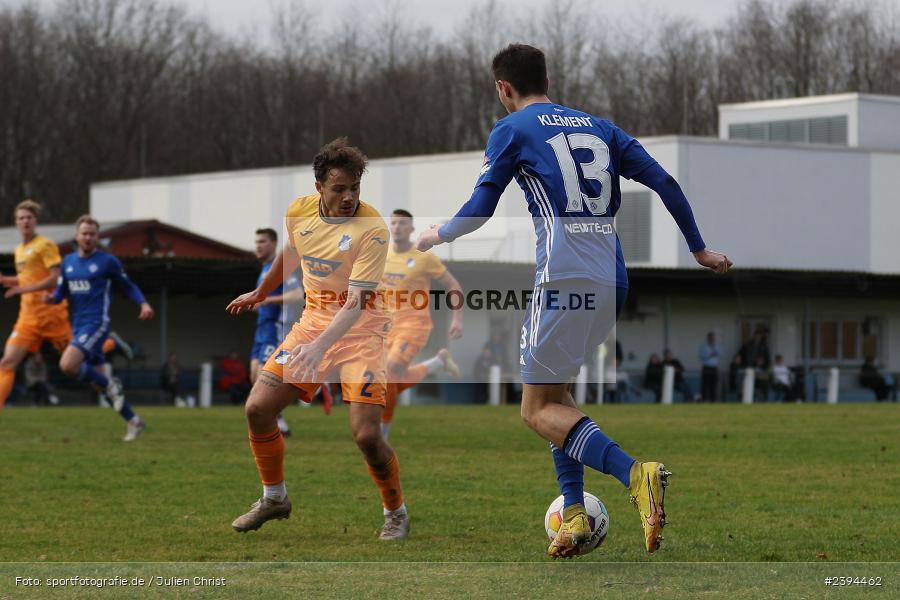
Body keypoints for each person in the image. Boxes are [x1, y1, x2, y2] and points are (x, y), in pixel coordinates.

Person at [416, 44, 731, 556]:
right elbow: (664, 181)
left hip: (563, 280)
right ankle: (576, 515)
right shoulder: (600, 128)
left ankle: (637, 475)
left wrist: (437, 234)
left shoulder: (512, 129)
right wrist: (698, 247)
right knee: (557, 400)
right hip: (612, 279)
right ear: (546, 77)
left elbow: (480, 209)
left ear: (503, 88)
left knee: (536, 409)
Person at [226, 138, 409, 540]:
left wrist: (320, 348)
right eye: (339, 189)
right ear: (319, 188)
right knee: (257, 408)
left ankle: (395, 511)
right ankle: (274, 498)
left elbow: (358, 302)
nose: (348, 198)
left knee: (365, 436)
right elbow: (292, 253)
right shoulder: (299, 212)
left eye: (354, 189)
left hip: (361, 332)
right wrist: (261, 292)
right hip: (312, 326)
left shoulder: (372, 230)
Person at [47, 215, 154, 441]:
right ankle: (134, 421)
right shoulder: (67, 262)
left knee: (67, 365)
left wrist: (143, 303)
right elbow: (61, 293)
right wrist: (51, 299)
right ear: (77, 236)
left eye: (92, 234)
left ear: (97, 237)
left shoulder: (107, 262)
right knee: (100, 388)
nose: (88, 237)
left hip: (97, 323)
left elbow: (128, 285)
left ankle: (110, 383)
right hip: (78, 326)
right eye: (84, 233)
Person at [379, 209, 463, 439]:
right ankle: (437, 362)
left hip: (415, 324)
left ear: (411, 228)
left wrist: (457, 318)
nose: (397, 227)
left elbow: (454, 286)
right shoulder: (382, 257)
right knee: (389, 377)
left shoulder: (424, 257)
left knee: (390, 370)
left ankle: (382, 433)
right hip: (388, 326)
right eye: (394, 223)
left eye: (402, 224)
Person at [0, 200, 72, 410]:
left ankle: (107, 343)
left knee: (76, 365)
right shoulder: (19, 250)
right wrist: (6, 280)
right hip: (28, 318)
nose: (25, 221)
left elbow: (54, 279)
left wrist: (23, 289)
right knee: (6, 363)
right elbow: (27, 279)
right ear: (16, 222)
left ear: (35, 221)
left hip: (52, 315)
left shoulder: (46, 245)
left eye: (28, 217)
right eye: (21, 218)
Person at [249, 228, 293, 435]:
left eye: (263, 241)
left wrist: (267, 299)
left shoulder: (281, 268)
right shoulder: (264, 269)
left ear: (274, 243)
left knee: (262, 379)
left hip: (274, 327)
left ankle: (276, 425)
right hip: (261, 328)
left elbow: (297, 294)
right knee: (253, 376)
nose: (258, 245)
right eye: (256, 241)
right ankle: (278, 420)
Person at [698, 332, 720, 402]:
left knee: (713, 385)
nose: (712, 339)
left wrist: (717, 367)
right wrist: (709, 355)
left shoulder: (717, 346)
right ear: (708, 338)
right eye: (710, 337)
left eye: (713, 338)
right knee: (705, 385)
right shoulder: (704, 346)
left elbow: (719, 356)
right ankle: (704, 400)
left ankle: (713, 400)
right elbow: (700, 356)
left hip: (714, 368)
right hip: (706, 367)